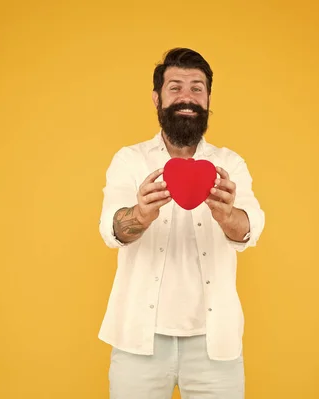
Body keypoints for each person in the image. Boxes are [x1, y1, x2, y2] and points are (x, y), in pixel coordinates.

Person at [98, 47, 265, 398]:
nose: (186, 97)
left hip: (214, 345)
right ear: (157, 98)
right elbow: (112, 229)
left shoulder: (228, 164)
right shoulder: (129, 160)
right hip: (138, 343)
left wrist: (226, 214)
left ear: (207, 99)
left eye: (196, 88)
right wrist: (140, 215)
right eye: (175, 87)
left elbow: (250, 229)